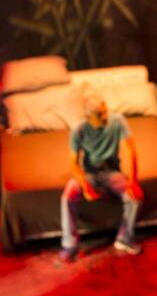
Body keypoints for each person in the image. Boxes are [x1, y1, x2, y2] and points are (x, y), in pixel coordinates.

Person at [59, 95, 144, 261]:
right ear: (89, 117)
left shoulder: (117, 121)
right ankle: (70, 245)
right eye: (100, 115)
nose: (106, 117)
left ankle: (124, 239)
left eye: (105, 112)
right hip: (88, 174)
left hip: (112, 172)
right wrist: (85, 186)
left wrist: (133, 182)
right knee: (67, 197)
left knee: (135, 197)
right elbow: (73, 164)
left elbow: (131, 150)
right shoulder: (79, 130)